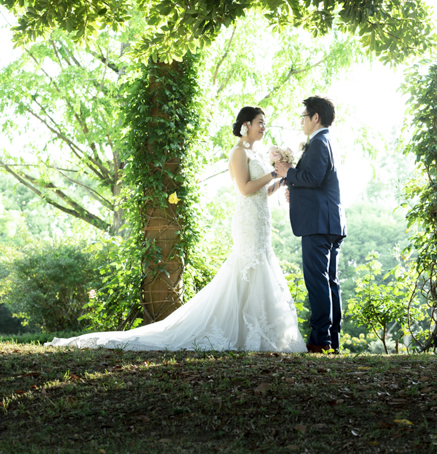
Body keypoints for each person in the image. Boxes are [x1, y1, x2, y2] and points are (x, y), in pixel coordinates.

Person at [46, 106, 306, 353]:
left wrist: (281, 181)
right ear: (246, 125)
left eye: (264, 123)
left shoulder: (257, 154)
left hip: (261, 220)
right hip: (247, 222)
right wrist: (273, 174)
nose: (264, 127)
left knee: (259, 268)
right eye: (260, 122)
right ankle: (239, 332)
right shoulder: (238, 152)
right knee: (246, 267)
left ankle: (257, 332)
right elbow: (245, 189)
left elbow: (262, 192)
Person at [274, 96, 346, 353]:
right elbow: (320, 182)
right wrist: (295, 188)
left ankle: (320, 339)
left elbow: (313, 177)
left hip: (318, 224)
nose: (302, 121)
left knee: (317, 282)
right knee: (330, 282)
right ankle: (331, 340)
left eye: (304, 116)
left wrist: (288, 173)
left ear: (316, 117)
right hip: (331, 222)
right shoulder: (329, 141)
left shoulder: (318, 142)